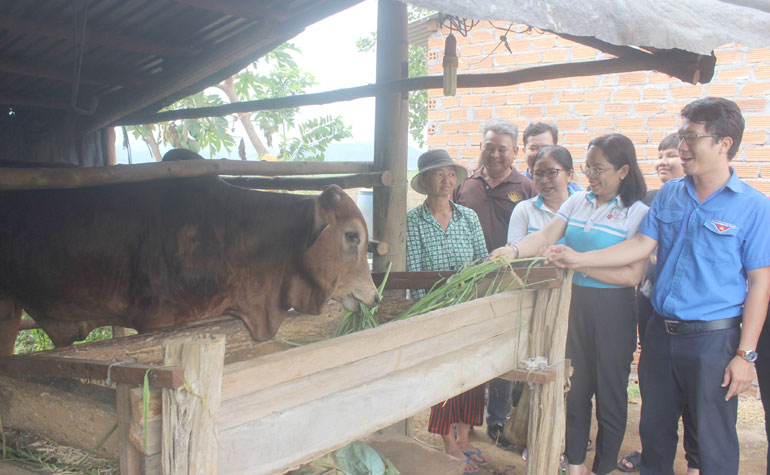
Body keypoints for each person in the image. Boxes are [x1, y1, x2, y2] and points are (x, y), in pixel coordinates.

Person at [546, 97, 770, 475]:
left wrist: (745, 354)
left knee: (712, 441)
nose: (682, 147)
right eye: (682, 135)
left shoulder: (753, 207)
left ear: (724, 143)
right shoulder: (669, 194)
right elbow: (639, 246)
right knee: (655, 435)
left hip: (713, 342)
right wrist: (578, 259)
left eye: (691, 137)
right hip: (661, 336)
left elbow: (760, 282)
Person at [489, 133, 649, 475]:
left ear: (623, 170)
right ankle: (575, 466)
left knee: (610, 395)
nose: (590, 175)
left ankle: (601, 468)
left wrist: (581, 263)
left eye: (598, 168)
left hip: (613, 312)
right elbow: (546, 236)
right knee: (574, 391)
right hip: (572, 306)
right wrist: (514, 251)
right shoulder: (578, 202)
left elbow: (631, 275)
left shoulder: (637, 212)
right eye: (587, 167)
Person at [617, 134, 698, 473]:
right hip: (653, 306)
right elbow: (638, 247)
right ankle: (653, 456)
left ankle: (696, 462)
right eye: (661, 155)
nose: (664, 161)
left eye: (672, 155)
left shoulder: (718, 202)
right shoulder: (655, 198)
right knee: (655, 390)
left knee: (697, 399)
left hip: (697, 320)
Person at [452, 118, 536, 449]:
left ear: (515, 152)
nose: (495, 154)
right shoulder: (466, 184)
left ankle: (498, 421)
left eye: (503, 148)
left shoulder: (525, 187)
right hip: (468, 285)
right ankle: (464, 420)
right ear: (482, 148)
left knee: (502, 353)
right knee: (468, 349)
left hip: (509, 284)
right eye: (489, 147)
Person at [406, 149, 489, 473]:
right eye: (439, 174)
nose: (447, 180)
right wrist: (426, 316)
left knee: (473, 374)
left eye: (451, 174)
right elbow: (413, 273)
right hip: (435, 313)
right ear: (425, 181)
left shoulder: (468, 217)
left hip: (469, 311)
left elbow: (483, 264)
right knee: (442, 376)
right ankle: (448, 443)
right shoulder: (414, 221)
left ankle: (466, 438)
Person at [520, 122, 581, 192]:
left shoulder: (573, 192)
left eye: (546, 148)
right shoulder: (517, 186)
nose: (539, 153)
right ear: (524, 151)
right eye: (533, 148)